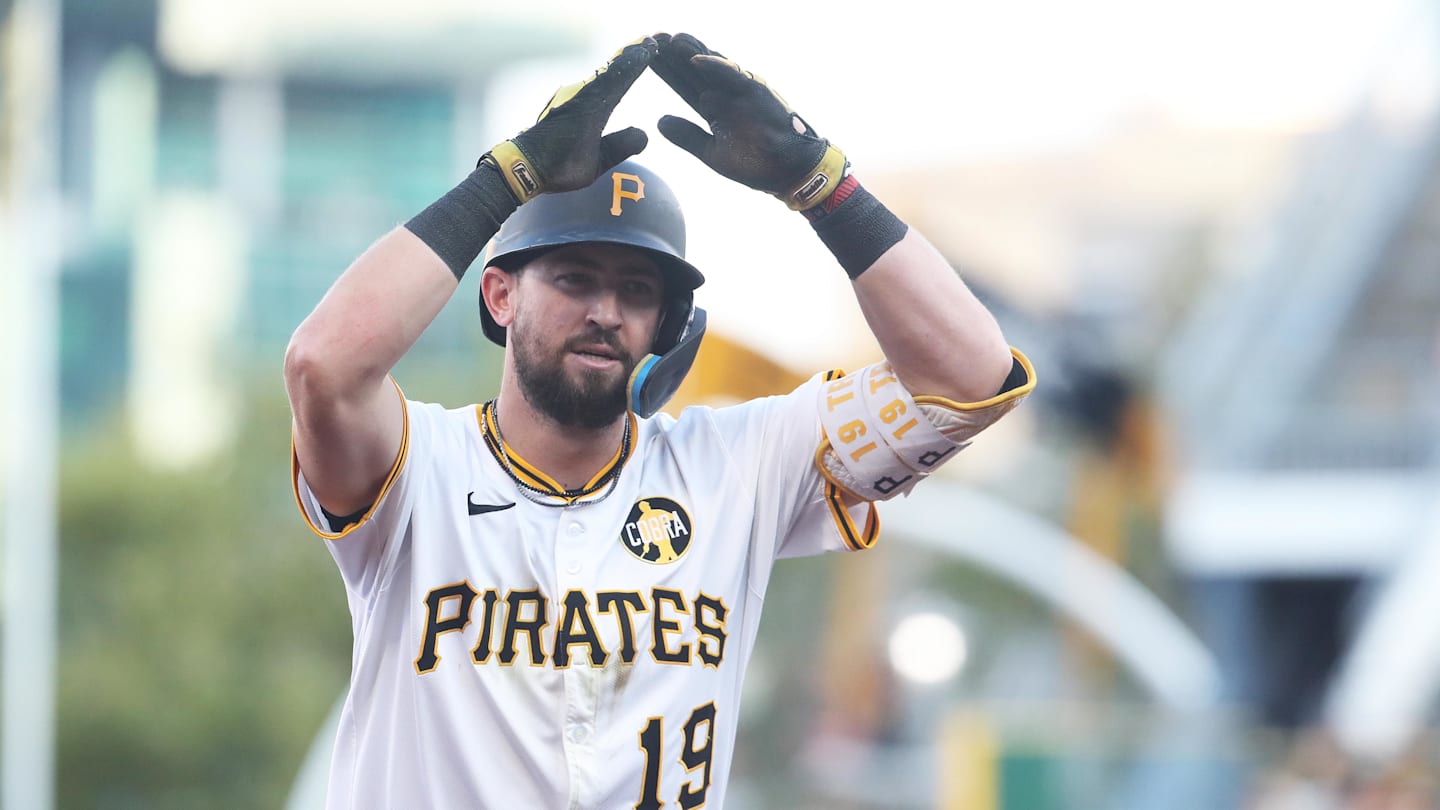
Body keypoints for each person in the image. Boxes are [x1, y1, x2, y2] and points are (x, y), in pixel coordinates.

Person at [284, 32, 1034, 808]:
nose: (606, 311)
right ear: (500, 295)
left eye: (638, 290)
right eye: (574, 277)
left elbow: (970, 377)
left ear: (669, 322)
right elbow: (323, 366)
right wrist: (504, 185)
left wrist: (822, 186)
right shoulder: (417, 466)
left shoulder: (739, 466)